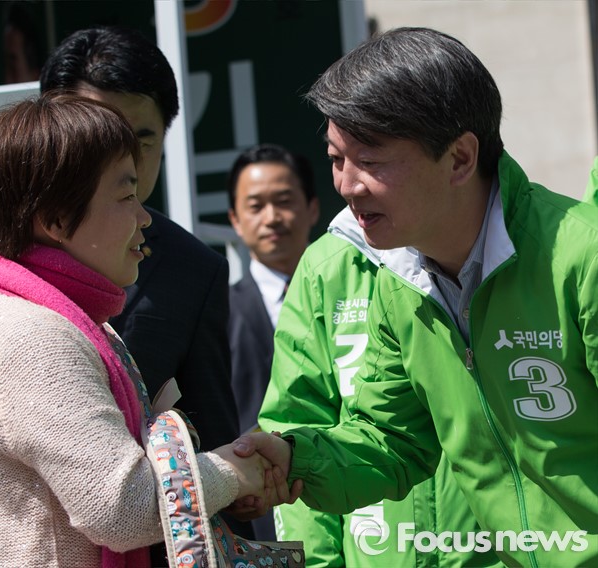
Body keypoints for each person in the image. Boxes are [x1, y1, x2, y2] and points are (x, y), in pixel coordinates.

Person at [236, 27, 598, 566]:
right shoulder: (398, 279)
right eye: (337, 158)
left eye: (371, 160)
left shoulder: (582, 256)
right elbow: (394, 440)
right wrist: (294, 459)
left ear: (460, 159)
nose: (347, 185)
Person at [0, 26, 241, 567]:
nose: (141, 217)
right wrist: (240, 469)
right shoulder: (28, 330)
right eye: (121, 191)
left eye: (138, 140)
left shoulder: (172, 274)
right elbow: (124, 508)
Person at [260, 202, 500, 566]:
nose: (350, 183)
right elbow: (298, 422)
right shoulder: (325, 267)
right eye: (339, 168)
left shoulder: (500, 247)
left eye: (372, 167)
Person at [226, 143, 319, 540]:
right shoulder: (218, 314)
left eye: (283, 201)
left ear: (312, 208)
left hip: (354, 504)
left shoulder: (353, 300)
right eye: (255, 206)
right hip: (257, 517)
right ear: (235, 219)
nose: (271, 218)